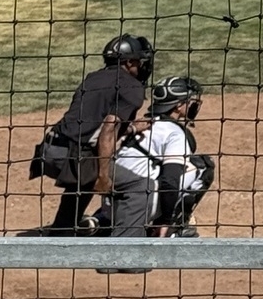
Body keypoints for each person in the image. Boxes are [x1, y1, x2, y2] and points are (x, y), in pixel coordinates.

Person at [37, 34, 157, 237]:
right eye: (139, 61)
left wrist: (131, 128)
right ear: (129, 62)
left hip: (48, 152)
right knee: (141, 185)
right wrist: (103, 176)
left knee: (85, 177)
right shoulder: (132, 86)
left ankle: (60, 235)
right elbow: (108, 129)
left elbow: (90, 124)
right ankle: (123, 253)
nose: (143, 66)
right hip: (71, 157)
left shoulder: (93, 77)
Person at [134, 76, 216, 238]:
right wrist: (166, 219)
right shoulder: (175, 132)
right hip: (142, 201)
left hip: (118, 194)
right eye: (188, 100)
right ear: (178, 106)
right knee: (202, 166)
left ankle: (99, 218)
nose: (192, 103)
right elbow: (170, 179)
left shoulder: (140, 124)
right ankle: (174, 225)